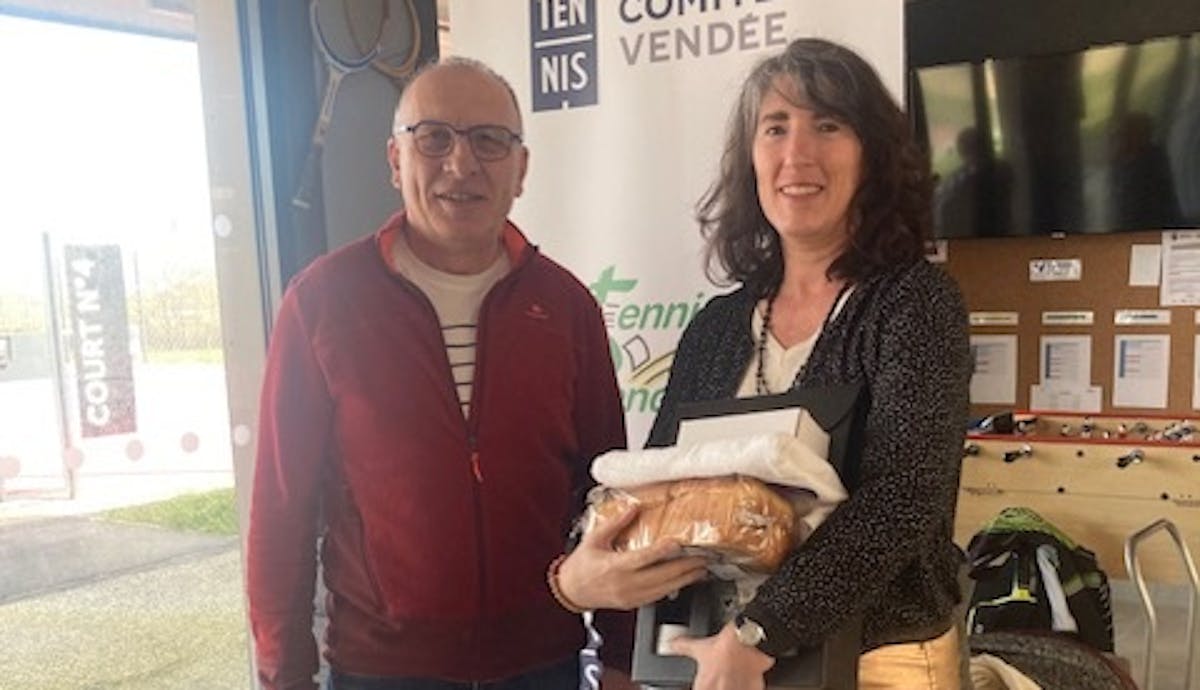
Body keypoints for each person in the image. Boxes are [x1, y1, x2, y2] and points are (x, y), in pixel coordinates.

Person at [246, 57, 672, 690]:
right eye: (434, 138)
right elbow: (282, 509)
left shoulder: (565, 306)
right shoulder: (322, 303)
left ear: (521, 169)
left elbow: (609, 492)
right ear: (396, 159)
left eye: (489, 141)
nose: (461, 163)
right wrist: (284, 675)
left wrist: (620, 659)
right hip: (381, 672)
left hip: (544, 665)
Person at [558, 38, 972, 690]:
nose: (796, 153)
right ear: (750, 158)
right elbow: (662, 487)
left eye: (827, 126)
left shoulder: (915, 304)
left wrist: (761, 633)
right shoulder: (716, 328)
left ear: (872, 154)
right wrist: (577, 570)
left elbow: (902, 499)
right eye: (775, 127)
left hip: (876, 666)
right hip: (722, 663)